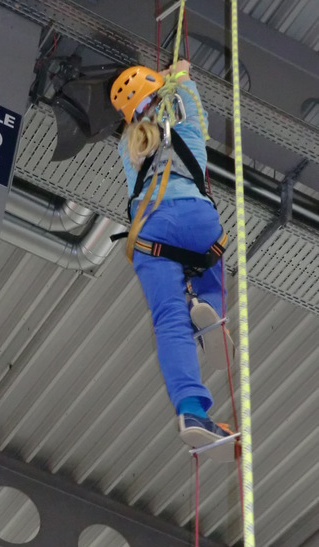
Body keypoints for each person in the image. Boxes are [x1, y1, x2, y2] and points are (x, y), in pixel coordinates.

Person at [110, 60, 237, 461]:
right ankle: (210, 311)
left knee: (169, 319)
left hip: (150, 231)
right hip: (198, 220)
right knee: (210, 269)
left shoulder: (127, 143)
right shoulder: (186, 117)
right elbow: (191, 98)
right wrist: (178, 74)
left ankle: (192, 411)